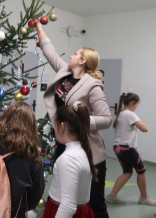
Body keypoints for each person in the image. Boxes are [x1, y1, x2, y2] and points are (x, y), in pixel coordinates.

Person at [36, 18, 112, 218]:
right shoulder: (65, 72)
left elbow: (106, 119)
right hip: (65, 143)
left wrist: (81, 120)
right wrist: (39, 27)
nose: (70, 55)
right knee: (66, 198)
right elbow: (50, 52)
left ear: (83, 61)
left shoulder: (92, 85)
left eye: (75, 53)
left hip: (89, 152)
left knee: (94, 204)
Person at [43, 102, 96, 218]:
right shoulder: (80, 151)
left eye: (55, 126)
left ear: (62, 127)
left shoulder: (68, 159)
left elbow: (68, 207)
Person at [106, 93, 156, 206]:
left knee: (127, 172)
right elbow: (145, 128)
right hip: (126, 148)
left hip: (117, 147)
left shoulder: (120, 114)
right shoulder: (130, 114)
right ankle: (144, 197)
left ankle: (112, 196)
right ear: (132, 103)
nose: (137, 106)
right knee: (141, 170)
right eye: (137, 104)